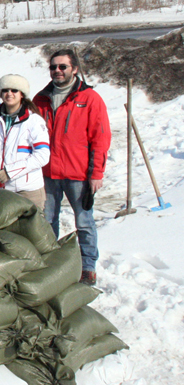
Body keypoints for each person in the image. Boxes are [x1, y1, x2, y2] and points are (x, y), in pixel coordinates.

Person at [34, 50, 111, 286]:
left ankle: (88, 266)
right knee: (47, 220)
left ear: (74, 69)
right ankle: (51, 261)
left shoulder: (89, 99)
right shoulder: (40, 99)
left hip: (78, 174)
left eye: (63, 67)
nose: (57, 71)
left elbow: (101, 138)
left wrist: (96, 173)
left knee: (84, 221)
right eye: (53, 67)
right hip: (48, 173)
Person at [0, 74, 50, 209]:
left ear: (22, 94)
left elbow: (42, 155)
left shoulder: (34, 121)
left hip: (27, 191)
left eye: (14, 90)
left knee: (28, 230)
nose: (9, 94)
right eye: (5, 90)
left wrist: (9, 172)